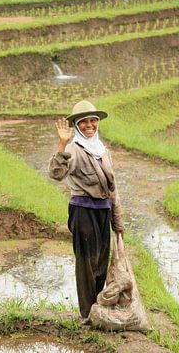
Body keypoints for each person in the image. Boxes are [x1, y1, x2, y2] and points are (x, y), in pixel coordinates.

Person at [48, 100, 125, 320]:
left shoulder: (103, 151)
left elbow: (113, 189)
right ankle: (87, 314)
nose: (90, 125)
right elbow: (55, 174)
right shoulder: (73, 149)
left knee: (101, 261)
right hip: (83, 212)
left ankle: (97, 308)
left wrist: (117, 223)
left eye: (93, 121)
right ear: (77, 125)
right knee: (87, 264)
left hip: (103, 212)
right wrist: (61, 145)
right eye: (84, 122)